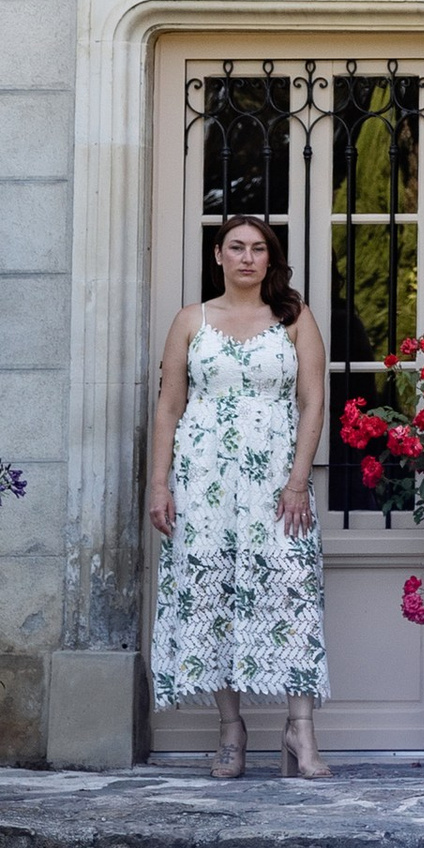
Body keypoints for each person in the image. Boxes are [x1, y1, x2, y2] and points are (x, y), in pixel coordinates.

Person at [148, 211, 332, 779]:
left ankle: (300, 731)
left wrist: (299, 480)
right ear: (219, 256)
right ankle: (231, 731)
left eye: (258, 248)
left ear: (270, 259)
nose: (248, 257)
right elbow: (170, 407)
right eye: (236, 247)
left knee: (292, 595)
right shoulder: (189, 321)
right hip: (202, 483)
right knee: (213, 595)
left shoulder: (295, 318)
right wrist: (159, 482)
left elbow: (313, 401)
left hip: (277, 482)